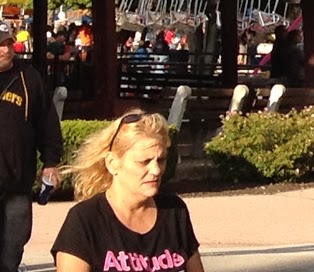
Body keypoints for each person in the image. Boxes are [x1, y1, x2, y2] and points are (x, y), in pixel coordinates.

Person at [51, 111, 201, 272]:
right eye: (144, 161)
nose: (156, 170)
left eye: (161, 160)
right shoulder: (84, 220)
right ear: (112, 163)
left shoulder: (175, 211)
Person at [0, 22, 63, 272]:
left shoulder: (29, 78)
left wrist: (50, 163)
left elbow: (48, 123)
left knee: (11, 250)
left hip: (17, 184)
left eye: (7, 43)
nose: (4, 49)